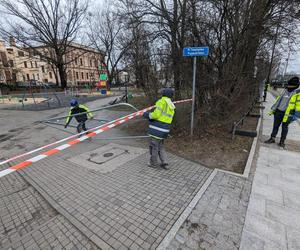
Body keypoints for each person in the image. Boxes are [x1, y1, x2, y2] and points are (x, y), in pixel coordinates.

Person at [143, 88, 175, 169]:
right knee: (161, 146)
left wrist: (147, 115)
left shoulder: (162, 102)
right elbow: (164, 117)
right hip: (164, 130)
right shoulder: (171, 105)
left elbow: (156, 115)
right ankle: (165, 162)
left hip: (157, 130)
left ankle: (153, 163)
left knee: (154, 147)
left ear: (163, 94)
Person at [265, 76, 300, 147]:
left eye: (291, 85)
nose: (289, 87)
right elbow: (279, 99)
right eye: (289, 85)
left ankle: (282, 141)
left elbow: (298, 106)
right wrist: (274, 109)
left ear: (296, 86)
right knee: (275, 126)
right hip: (278, 111)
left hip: (288, 114)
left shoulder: (297, 94)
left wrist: (295, 116)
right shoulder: (285, 90)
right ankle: (272, 138)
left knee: (285, 127)